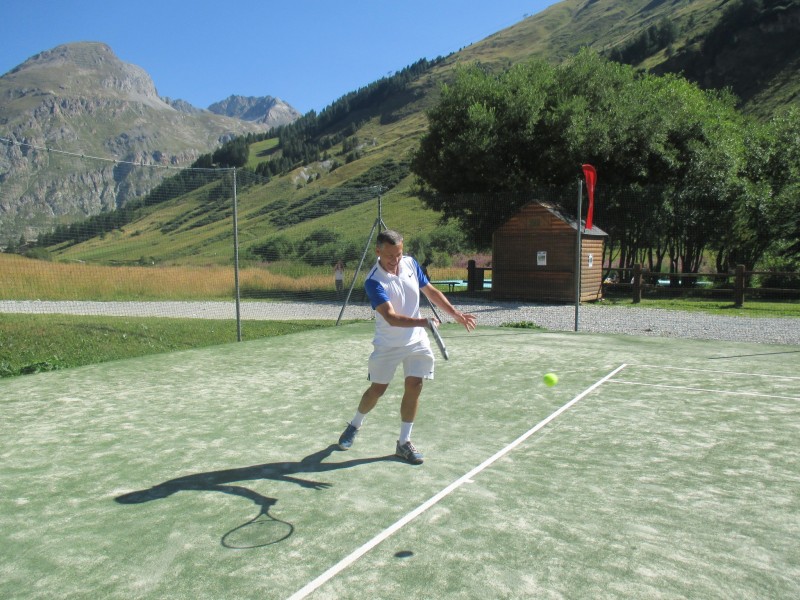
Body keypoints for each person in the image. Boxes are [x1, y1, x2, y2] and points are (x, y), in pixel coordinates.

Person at [337, 230, 477, 464]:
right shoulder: (374, 281)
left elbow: (430, 291)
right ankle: (355, 424)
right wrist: (425, 322)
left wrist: (455, 314)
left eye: (399, 254)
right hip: (388, 344)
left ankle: (404, 443)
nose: (395, 260)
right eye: (390, 255)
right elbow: (391, 318)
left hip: (417, 340)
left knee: (415, 384)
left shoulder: (410, 264)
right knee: (377, 390)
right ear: (378, 252)